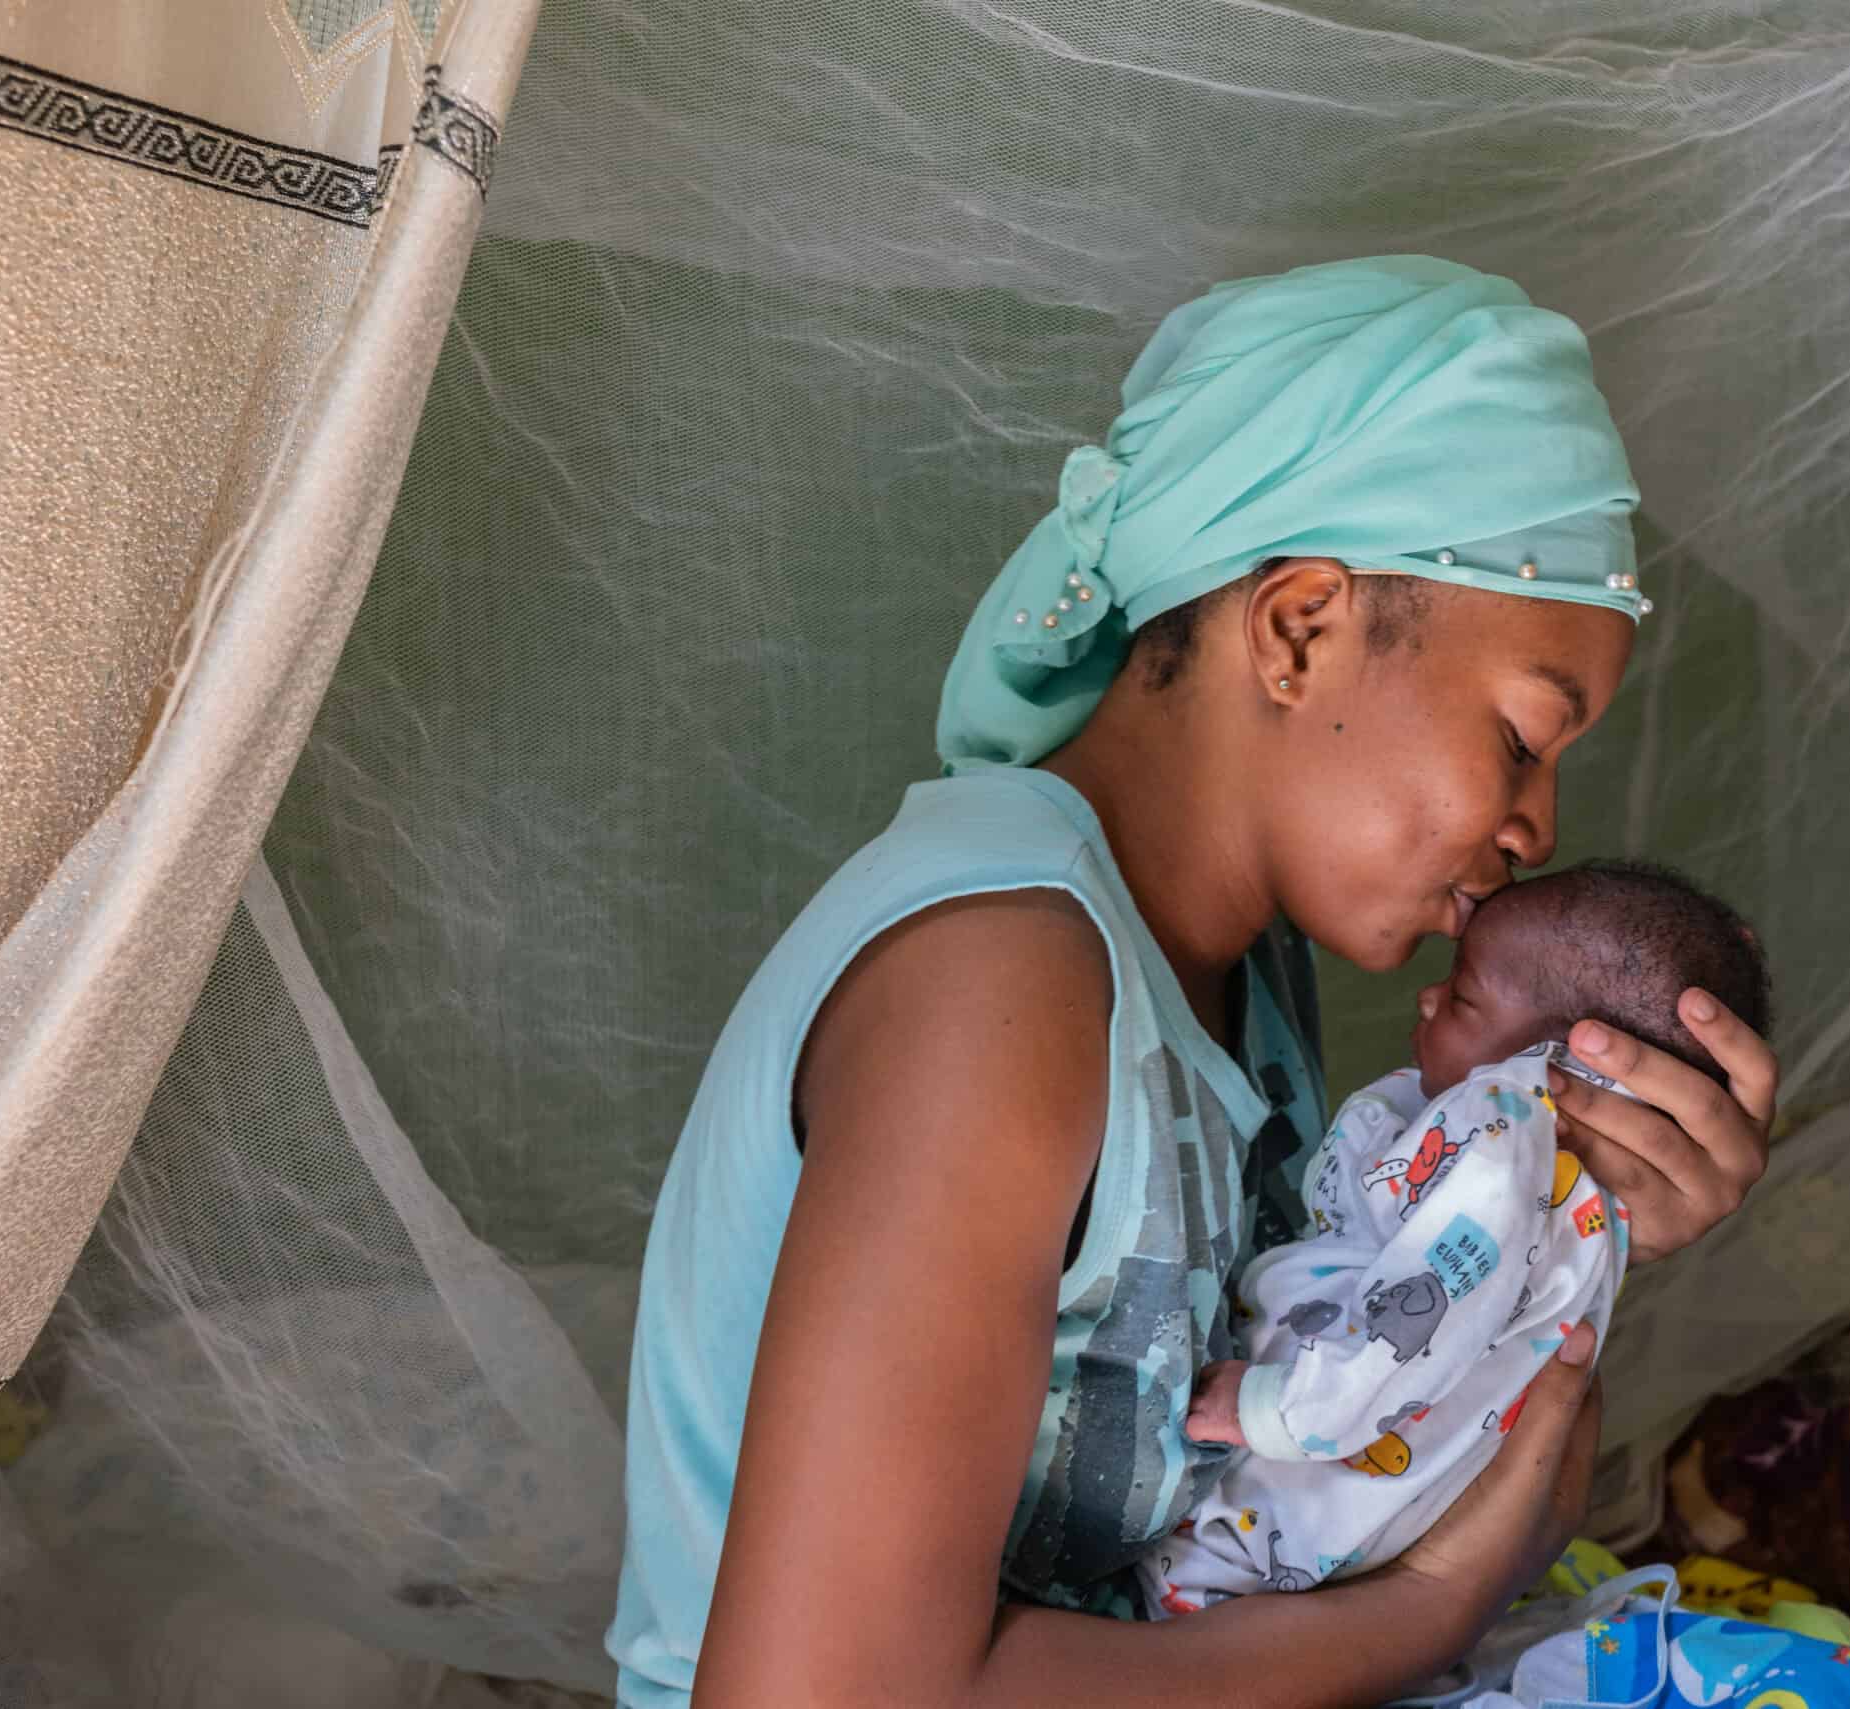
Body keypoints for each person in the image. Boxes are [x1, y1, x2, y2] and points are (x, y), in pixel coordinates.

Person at [605, 255, 1780, 1709]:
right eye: (1525, 737)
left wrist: (1564, 1227)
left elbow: (1322, 1432)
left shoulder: (1234, 974)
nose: (1537, 826)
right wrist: (1428, 1606)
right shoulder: (1003, 982)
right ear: (1299, 628)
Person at [1143, 862, 1770, 1615]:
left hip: (1307, 1451)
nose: (1428, 997)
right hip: (1348, 1494)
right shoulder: (1537, 1179)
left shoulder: (1507, 1139)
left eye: (1464, 996)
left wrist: (1278, 1408)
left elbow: (1413, 1318)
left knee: (1183, 1597)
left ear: (1569, 1062)